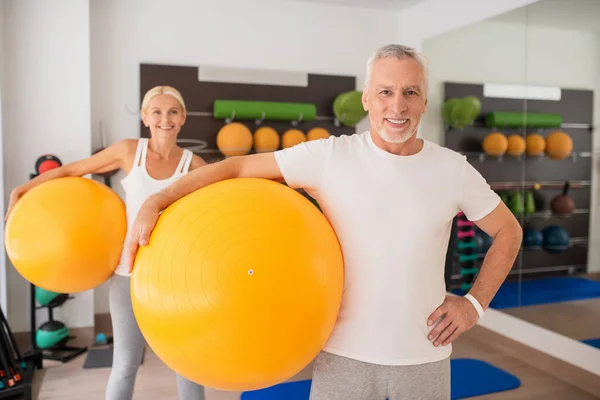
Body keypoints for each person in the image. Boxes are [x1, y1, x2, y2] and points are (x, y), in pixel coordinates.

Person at [123, 45, 523, 400]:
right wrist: (157, 199)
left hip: (424, 355)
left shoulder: (452, 168)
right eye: (385, 91)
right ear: (367, 99)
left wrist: (474, 303)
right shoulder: (330, 156)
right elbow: (238, 166)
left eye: (410, 92)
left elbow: (508, 231)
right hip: (342, 354)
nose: (397, 106)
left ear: (424, 101)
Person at [6, 86, 208, 400]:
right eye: (156, 111)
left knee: (187, 363)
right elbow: (74, 170)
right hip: (128, 275)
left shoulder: (194, 165)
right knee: (126, 361)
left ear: (182, 118)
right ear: (144, 117)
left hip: (176, 277)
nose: (164, 119)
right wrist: (23, 189)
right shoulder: (131, 151)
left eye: (172, 112)